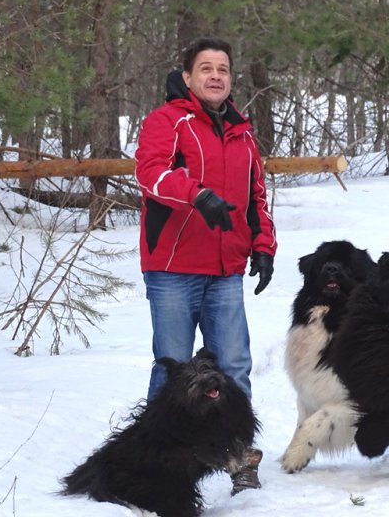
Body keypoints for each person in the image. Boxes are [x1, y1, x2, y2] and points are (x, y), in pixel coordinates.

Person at [134, 36, 276, 491]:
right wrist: (196, 195)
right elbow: (151, 173)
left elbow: (256, 196)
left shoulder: (242, 131)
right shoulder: (166, 121)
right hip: (173, 267)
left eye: (223, 69)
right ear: (189, 76)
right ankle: (157, 460)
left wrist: (263, 245)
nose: (216, 76)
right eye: (206, 68)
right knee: (173, 365)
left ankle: (238, 458)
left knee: (234, 365)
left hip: (225, 269)